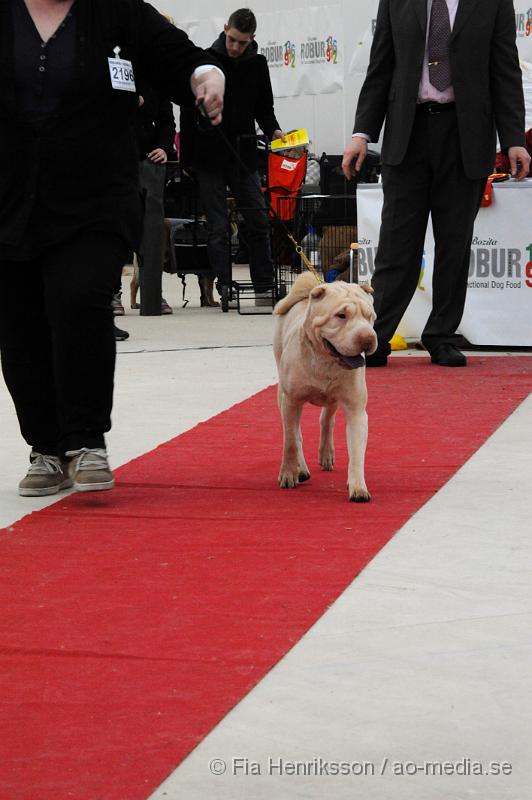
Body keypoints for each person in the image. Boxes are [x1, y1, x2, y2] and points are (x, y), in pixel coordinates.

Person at [0, 0, 224, 496]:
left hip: (95, 196)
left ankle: (85, 441)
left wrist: (205, 75)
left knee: (78, 299)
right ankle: (45, 446)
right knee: (20, 324)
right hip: (10, 198)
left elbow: (175, 54)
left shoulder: (116, 11)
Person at [342, 0, 531, 367]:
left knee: (454, 244)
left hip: (466, 136)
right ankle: (378, 337)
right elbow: (380, 67)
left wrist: (514, 139)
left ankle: (441, 335)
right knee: (397, 244)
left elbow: (505, 70)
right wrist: (362, 133)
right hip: (407, 134)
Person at [180, 8, 285, 303]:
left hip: (244, 154)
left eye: (242, 42)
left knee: (259, 220)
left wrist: (275, 131)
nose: (236, 47)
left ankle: (264, 286)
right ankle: (225, 287)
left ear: (252, 39)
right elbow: (188, 113)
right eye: (232, 39)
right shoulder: (206, 61)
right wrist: (187, 159)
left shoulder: (258, 64)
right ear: (225, 29)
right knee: (218, 226)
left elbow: (264, 108)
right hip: (208, 156)